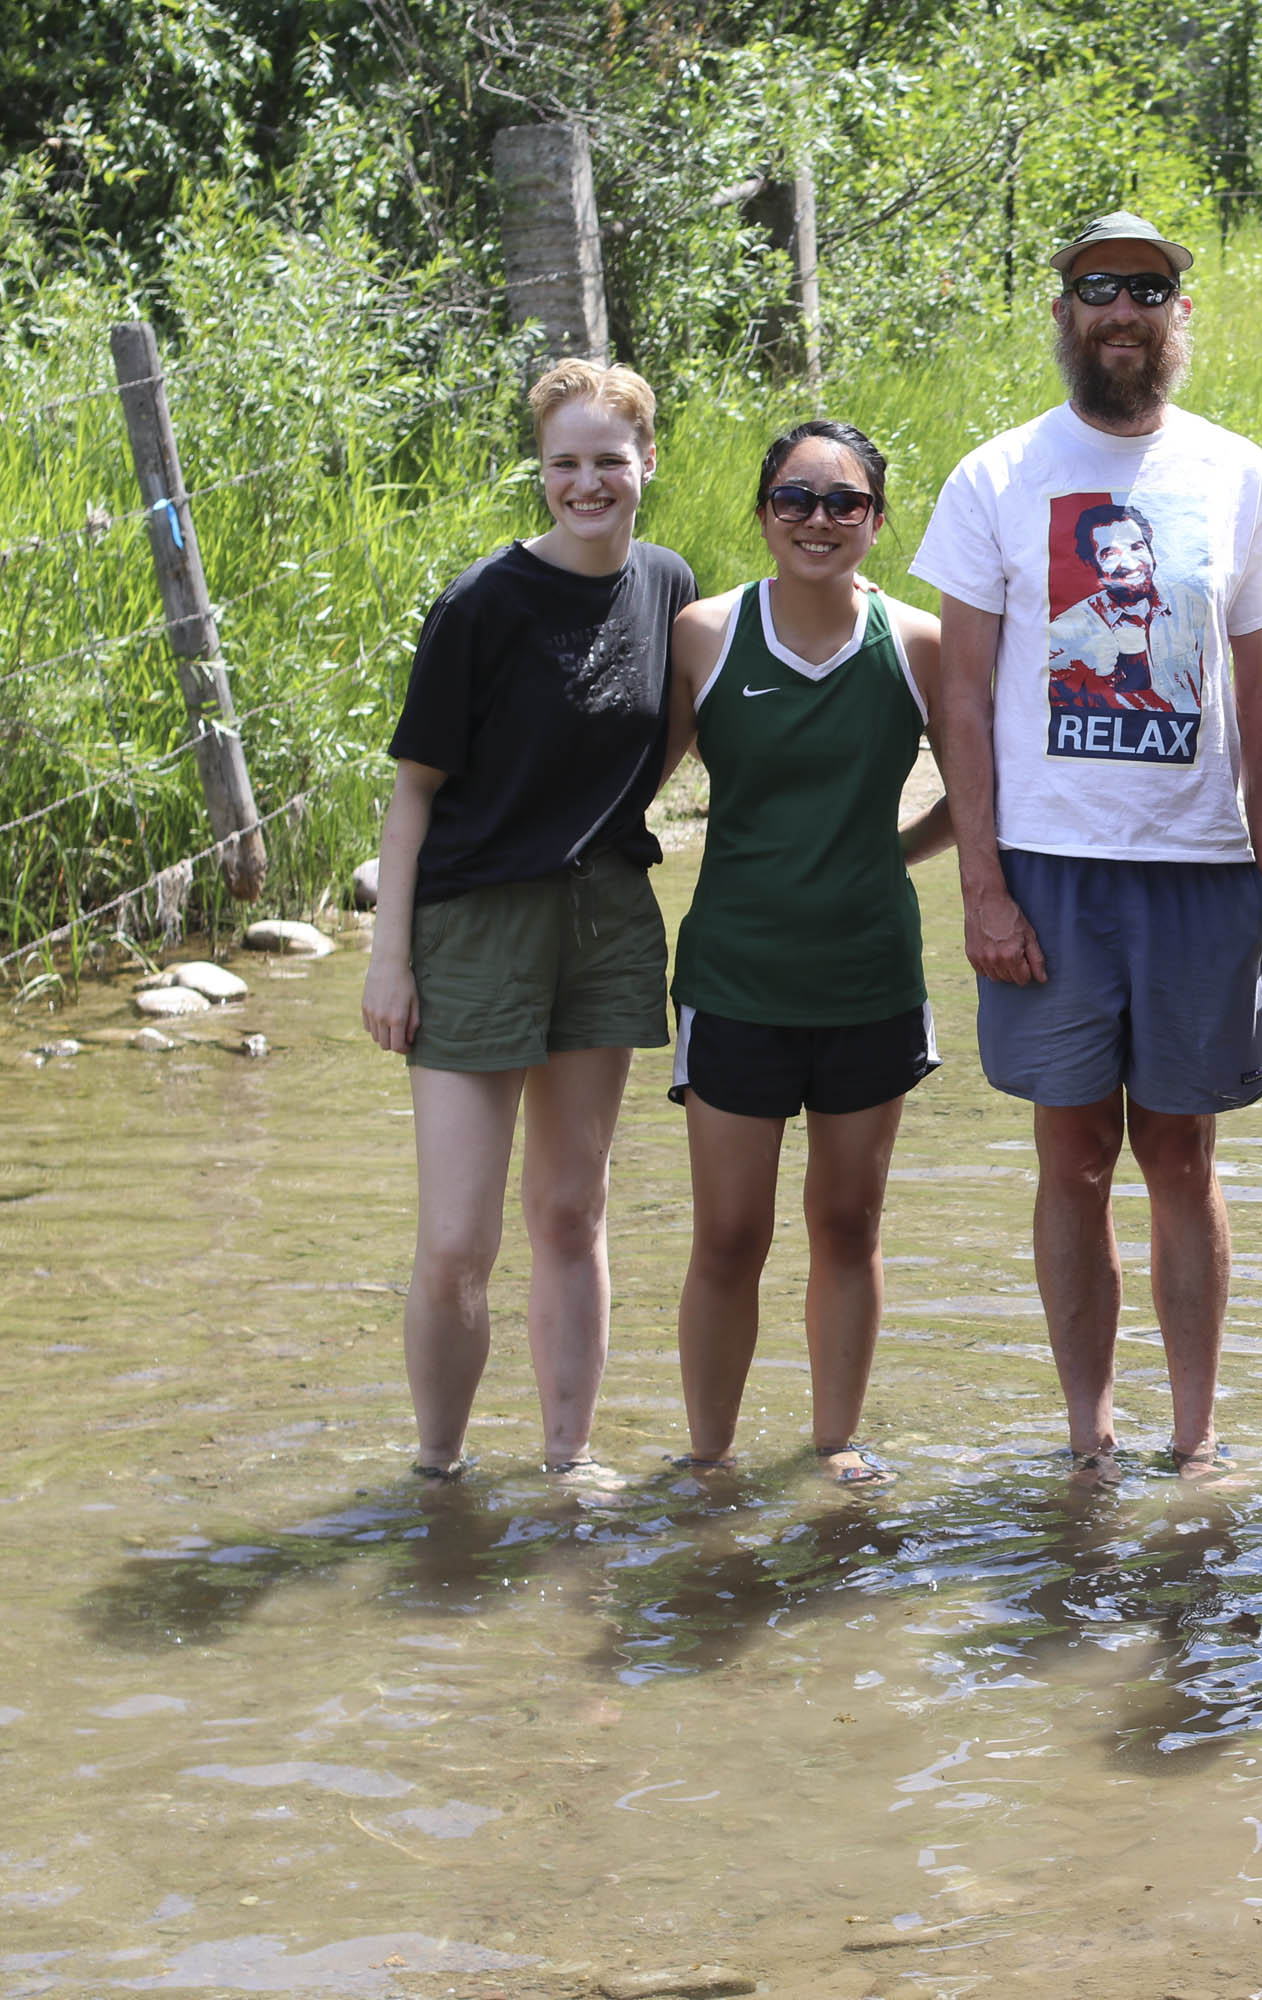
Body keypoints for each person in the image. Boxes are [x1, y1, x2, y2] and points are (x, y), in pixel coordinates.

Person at [909, 211, 1262, 1480]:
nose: (1124, 311)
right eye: (1100, 289)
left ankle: (1194, 1435)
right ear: (1064, 313)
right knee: (1073, 1151)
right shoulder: (996, 475)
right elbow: (964, 701)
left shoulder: (1240, 476)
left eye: (1149, 290)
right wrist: (980, 883)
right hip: (1048, 863)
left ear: (1178, 317)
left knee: (1184, 1151)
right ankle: (1088, 1431)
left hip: (1203, 869)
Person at [361, 358, 696, 1481]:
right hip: (472, 923)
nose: (587, 482)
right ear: (541, 471)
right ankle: (438, 1472)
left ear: (648, 461)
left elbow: (670, 736)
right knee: (459, 1238)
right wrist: (388, 960)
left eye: (609, 459)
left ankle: (567, 1465)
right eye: (565, 462)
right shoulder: (481, 603)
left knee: (570, 1210)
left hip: (604, 918)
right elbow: (413, 794)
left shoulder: (667, 583)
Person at [658, 420, 951, 1488]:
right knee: (729, 1233)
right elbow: (632, 781)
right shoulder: (704, 632)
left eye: (843, 503)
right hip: (736, 977)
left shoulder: (918, 642)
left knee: (846, 1221)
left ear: (876, 519)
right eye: (795, 498)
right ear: (762, 511)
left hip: (871, 977)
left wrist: (893, 854)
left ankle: (836, 1441)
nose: (817, 520)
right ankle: (708, 1455)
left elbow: (981, 790)